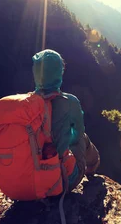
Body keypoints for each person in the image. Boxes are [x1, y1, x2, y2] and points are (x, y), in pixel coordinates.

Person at [31, 49, 100, 190]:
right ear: (59, 72)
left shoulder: (26, 104)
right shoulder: (69, 102)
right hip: (63, 180)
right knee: (83, 138)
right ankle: (92, 168)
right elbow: (78, 133)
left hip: (31, 180)